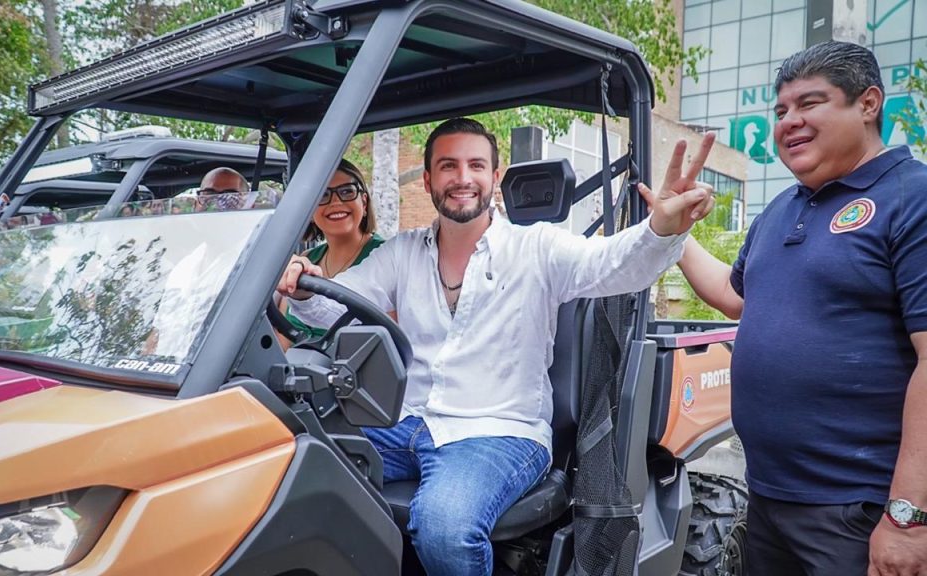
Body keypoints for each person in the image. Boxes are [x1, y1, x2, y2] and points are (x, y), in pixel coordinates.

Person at [279, 117, 716, 575]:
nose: (462, 178)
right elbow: (338, 303)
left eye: (475, 165)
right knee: (294, 465)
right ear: (428, 180)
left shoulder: (537, 247)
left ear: (495, 176)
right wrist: (304, 286)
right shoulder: (402, 253)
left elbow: (613, 265)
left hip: (500, 430)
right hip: (407, 423)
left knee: (445, 527)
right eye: (448, 166)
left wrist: (660, 229)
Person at [676, 42, 927, 576]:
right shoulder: (781, 209)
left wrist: (908, 518)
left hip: (859, 510)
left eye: (810, 103)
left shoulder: (913, 197)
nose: (789, 121)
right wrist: (673, 235)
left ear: (868, 103)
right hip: (769, 497)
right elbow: (735, 297)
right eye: (781, 110)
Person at [281, 159, 384, 341]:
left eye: (347, 191)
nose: (336, 202)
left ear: (364, 203)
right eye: (323, 195)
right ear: (310, 211)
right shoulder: (305, 260)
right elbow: (283, 338)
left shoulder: (386, 258)